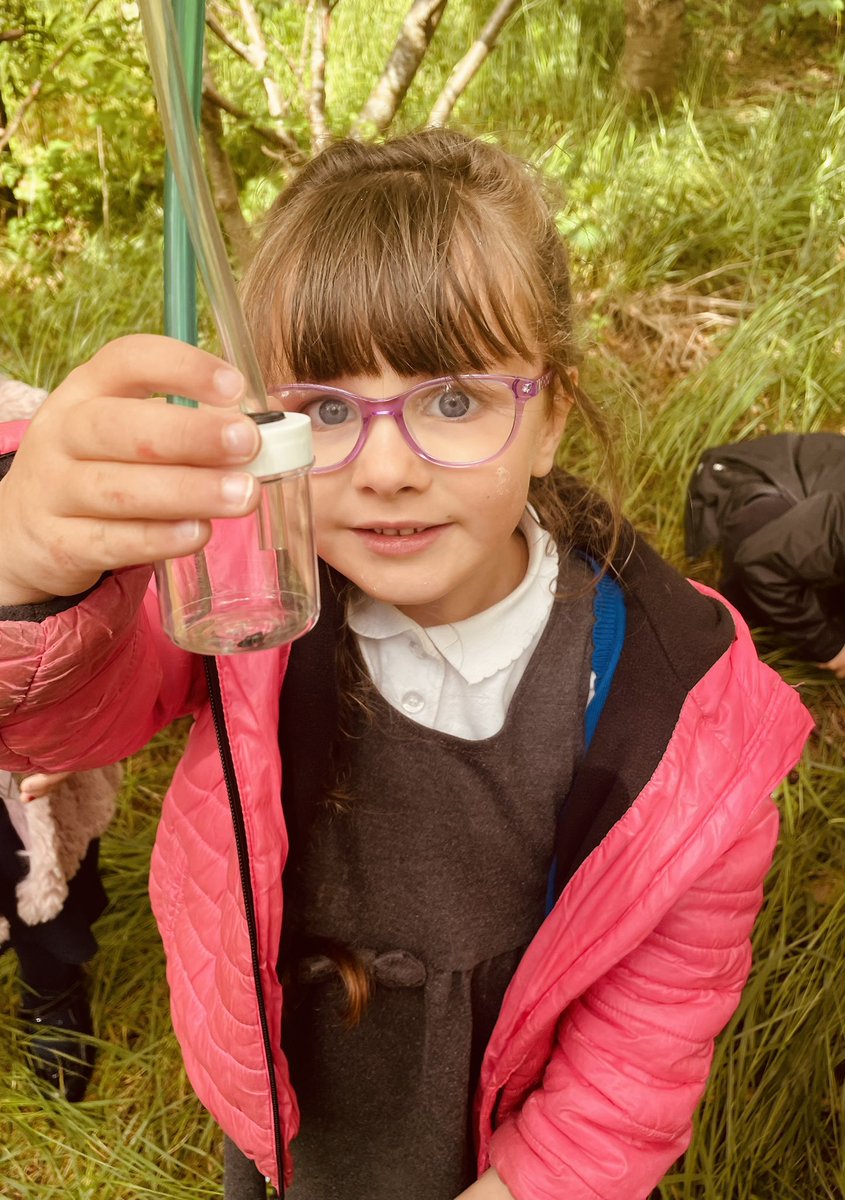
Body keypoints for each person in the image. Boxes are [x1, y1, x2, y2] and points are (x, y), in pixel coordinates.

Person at [0, 131, 812, 1200]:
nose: (385, 470)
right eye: (327, 411)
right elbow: (63, 720)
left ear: (551, 415)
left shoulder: (684, 712)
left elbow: (646, 1038)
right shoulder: (245, 590)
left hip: (515, 1151)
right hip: (287, 1120)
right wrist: (30, 572)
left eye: (454, 401)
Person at [0, 377, 121, 1102]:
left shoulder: (29, 437)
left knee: (39, 888)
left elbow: (102, 608)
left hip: (26, 769)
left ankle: (51, 991)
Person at [685, 431, 845, 678]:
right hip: (740, 478)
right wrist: (830, 648)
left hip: (809, 483)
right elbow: (760, 563)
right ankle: (734, 635)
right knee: (759, 575)